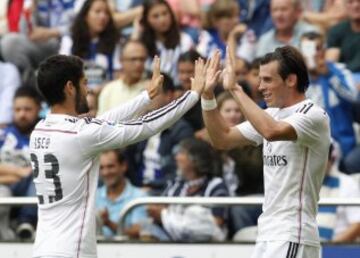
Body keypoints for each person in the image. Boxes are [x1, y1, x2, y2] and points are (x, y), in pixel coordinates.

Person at [30, 54, 206, 258]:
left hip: (43, 248)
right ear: (70, 87)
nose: (88, 90)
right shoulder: (81, 134)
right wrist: (192, 95)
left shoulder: (40, 130)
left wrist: (145, 97)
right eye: (84, 83)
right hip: (71, 250)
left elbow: (102, 124)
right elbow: (145, 125)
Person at [201, 47, 330, 257]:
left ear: (290, 80)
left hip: (292, 233)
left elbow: (271, 131)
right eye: (260, 80)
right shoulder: (270, 114)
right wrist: (207, 96)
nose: (261, 87)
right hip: (268, 232)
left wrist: (235, 89)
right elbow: (222, 139)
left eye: (268, 80)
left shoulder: (314, 115)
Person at [145, 138, 229, 242]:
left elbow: (216, 223)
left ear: (195, 160)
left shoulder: (215, 186)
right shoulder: (176, 185)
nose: (176, 157)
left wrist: (165, 216)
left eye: (181, 153)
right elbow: (156, 211)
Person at [300, 31, 360, 173]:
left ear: (324, 50)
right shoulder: (294, 78)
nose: (314, 53)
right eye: (308, 48)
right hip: (308, 145)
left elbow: (355, 96)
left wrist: (329, 75)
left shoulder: (339, 70)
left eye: (318, 48)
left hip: (343, 148)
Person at [0, 86, 42, 239]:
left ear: (38, 108)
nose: (21, 114)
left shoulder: (45, 134)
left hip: (33, 188)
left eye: (27, 109)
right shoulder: (2, 134)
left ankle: (26, 223)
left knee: (38, 175)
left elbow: (36, 172)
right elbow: (26, 172)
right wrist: (19, 172)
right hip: (4, 185)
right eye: (17, 109)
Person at [59, 0, 121, 90]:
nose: (103, 16)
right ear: (85, 15)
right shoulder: (69, 40)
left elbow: (117, 78)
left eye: (106, 13)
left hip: (104, 95)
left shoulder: (114, 42)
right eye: (97, 12)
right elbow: (61, 74)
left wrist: (96, 91)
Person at [96, 149, 148, 239]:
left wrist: (109, 223)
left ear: (123, 166)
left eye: (110, 166)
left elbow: (138, 233)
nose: (106, 172)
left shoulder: (140, 196)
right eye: (101, 168)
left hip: (129, 252)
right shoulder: (92, 196)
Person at [317, 144, 360, 243]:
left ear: (332, 160)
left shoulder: (347, 183)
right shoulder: (299, 182)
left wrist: (328, 248)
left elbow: (357, 224)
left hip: (336, 249)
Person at [97, 40, 149, 115]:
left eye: (142, 59)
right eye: (133, 59)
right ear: (121, 60)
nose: (138, 64)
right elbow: (100, 123)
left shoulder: (150, 89)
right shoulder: (109, 90)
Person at [326, 0, 360, 73]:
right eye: (350, 2)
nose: (356, 5)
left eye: (359, 1)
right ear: (345, 6)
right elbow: (330, 63)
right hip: (344, 76)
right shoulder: (337, 30)